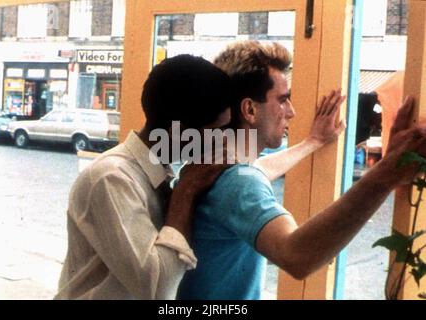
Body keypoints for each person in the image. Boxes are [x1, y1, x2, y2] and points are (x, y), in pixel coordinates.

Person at [177, 40, 426, 300]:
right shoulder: (239, 183)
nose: (291, 112)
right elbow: (297, 256)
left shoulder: (211, 167)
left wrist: (313, 142)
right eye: (283, 100)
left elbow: (259, 169)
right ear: (249, 109)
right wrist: (387, 174)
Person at [55, 54, 233, 300]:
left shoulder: (155, 174)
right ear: (179, 133)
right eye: (218, 131)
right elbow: (157, 290)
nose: (223, 141)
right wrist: (187, 189)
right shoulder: (112, 177)